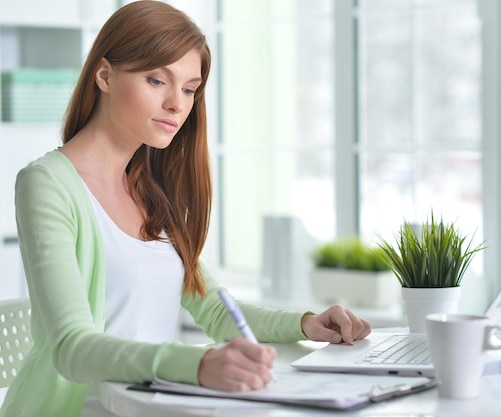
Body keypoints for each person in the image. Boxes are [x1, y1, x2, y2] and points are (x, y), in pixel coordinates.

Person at [0, 2, 371, 416]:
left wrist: (306, 324)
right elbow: (72, 347)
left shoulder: (151, 191)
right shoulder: (47, 184)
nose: (178, 104)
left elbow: (212, 308)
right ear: (104, 75)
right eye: (157, 80)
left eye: (190, 88)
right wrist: (195, 365)